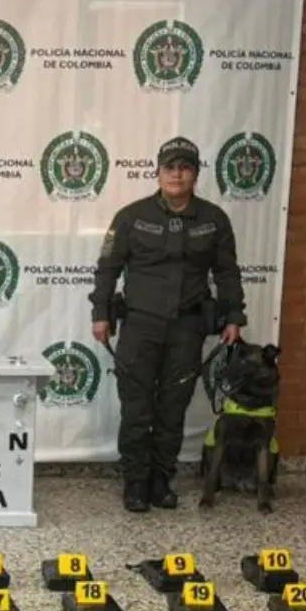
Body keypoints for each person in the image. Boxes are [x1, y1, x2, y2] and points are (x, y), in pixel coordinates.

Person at [89, 136, 247, 513]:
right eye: (170, 168)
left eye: (185, 168)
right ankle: (135, 482)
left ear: (195, 174)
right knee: (137, 408)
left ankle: (161, 480)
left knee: (173, 408)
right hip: (140, 326)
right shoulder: (131, 217)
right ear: (158, 173)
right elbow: (108, 268)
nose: (177, 175)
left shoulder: (213, 220)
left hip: (186, 328)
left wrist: (234, 316)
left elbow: (227, 272)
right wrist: (101, 313)